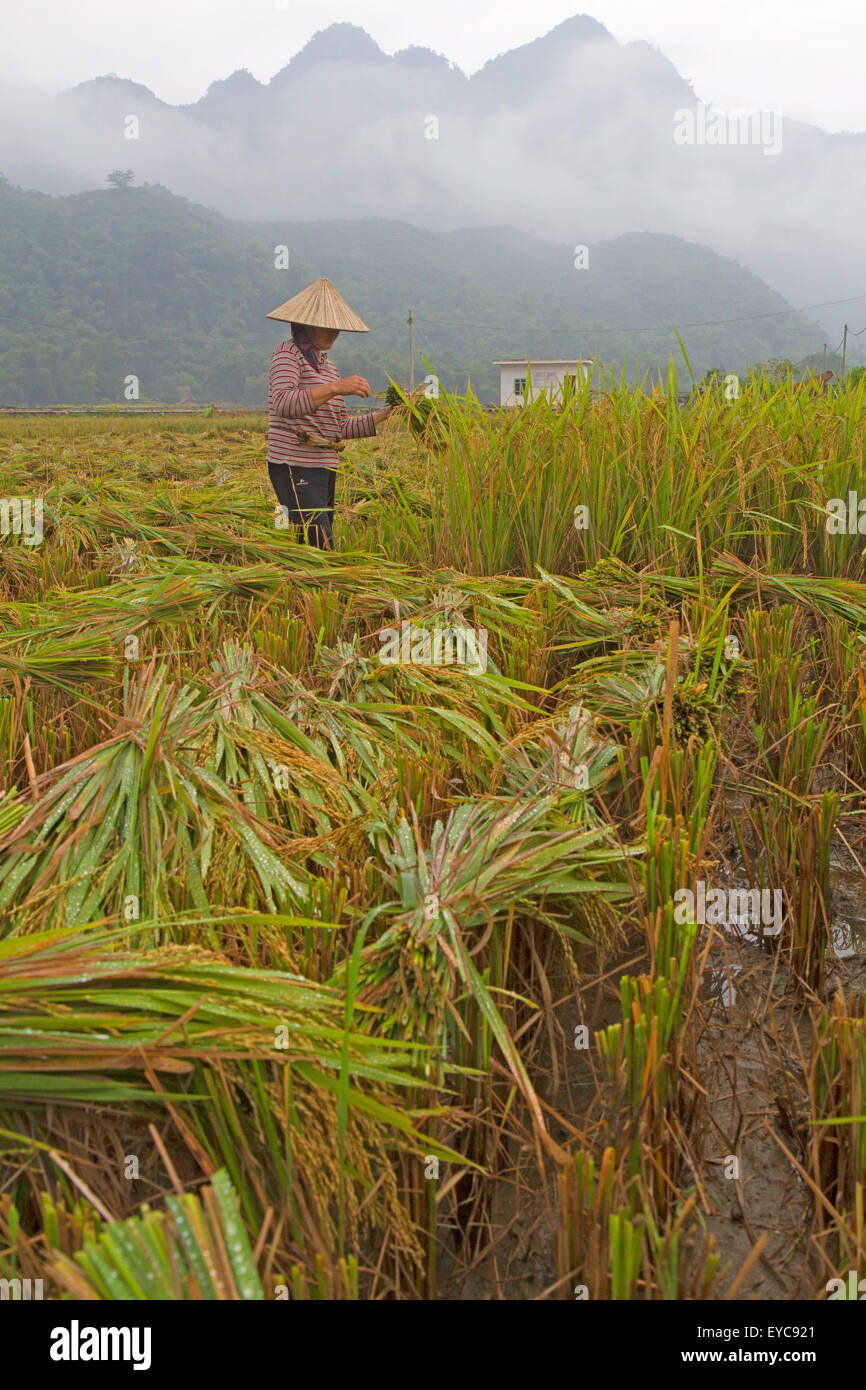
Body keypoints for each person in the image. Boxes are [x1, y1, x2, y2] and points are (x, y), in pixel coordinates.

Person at [265, 278, 392, 547]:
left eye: (337, 327)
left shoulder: (329, 368)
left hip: (324, 467)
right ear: (306, 323)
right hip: (293, 464)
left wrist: (387, 414)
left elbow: (338, 429)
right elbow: (283, 403)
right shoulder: (287, 354)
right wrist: (335, 388)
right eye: (326, 325)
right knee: (319, 543)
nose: (334, 332)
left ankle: (310, 585)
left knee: (312, 542)